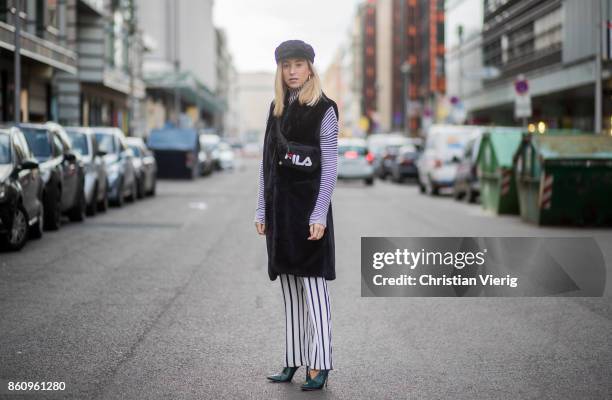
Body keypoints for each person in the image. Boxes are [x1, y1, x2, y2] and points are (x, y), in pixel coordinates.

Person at [254, 39, 338, 391]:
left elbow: (330, 166)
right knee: (289, 290)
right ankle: (292, 358)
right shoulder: (275, 109)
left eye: (298, 65)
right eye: (286, 66)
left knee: (314, 289)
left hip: (308, 214)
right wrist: (262, 207)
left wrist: (319, 214)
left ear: (310, 68)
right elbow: (265, 165)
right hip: (279, 214)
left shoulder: (324, 108)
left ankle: (321, 364)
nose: (291, 72)